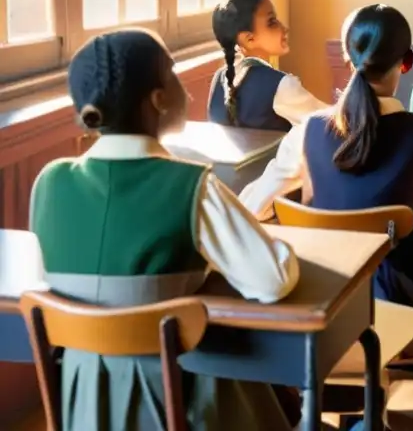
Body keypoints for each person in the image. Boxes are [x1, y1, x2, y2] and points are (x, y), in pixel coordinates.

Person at [30, 29, 301, 430]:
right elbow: (271, 280)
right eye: (174, 76)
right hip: (178, 400)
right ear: (157, 99)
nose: (186, 92)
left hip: (83, 403)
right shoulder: (189, 185)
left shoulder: (49, 183)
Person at [238, 5, 413, 318]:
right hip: (400, 311)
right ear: (406, 63)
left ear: (347, 59)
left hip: (323, 310)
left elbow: (251, 207)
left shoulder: (307, 131)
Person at [209, 0, 327, 129]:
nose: (284, 28)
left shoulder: (219, 78)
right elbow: (328, 123)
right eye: (272, 22)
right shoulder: (280, 85)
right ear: (249, 39)